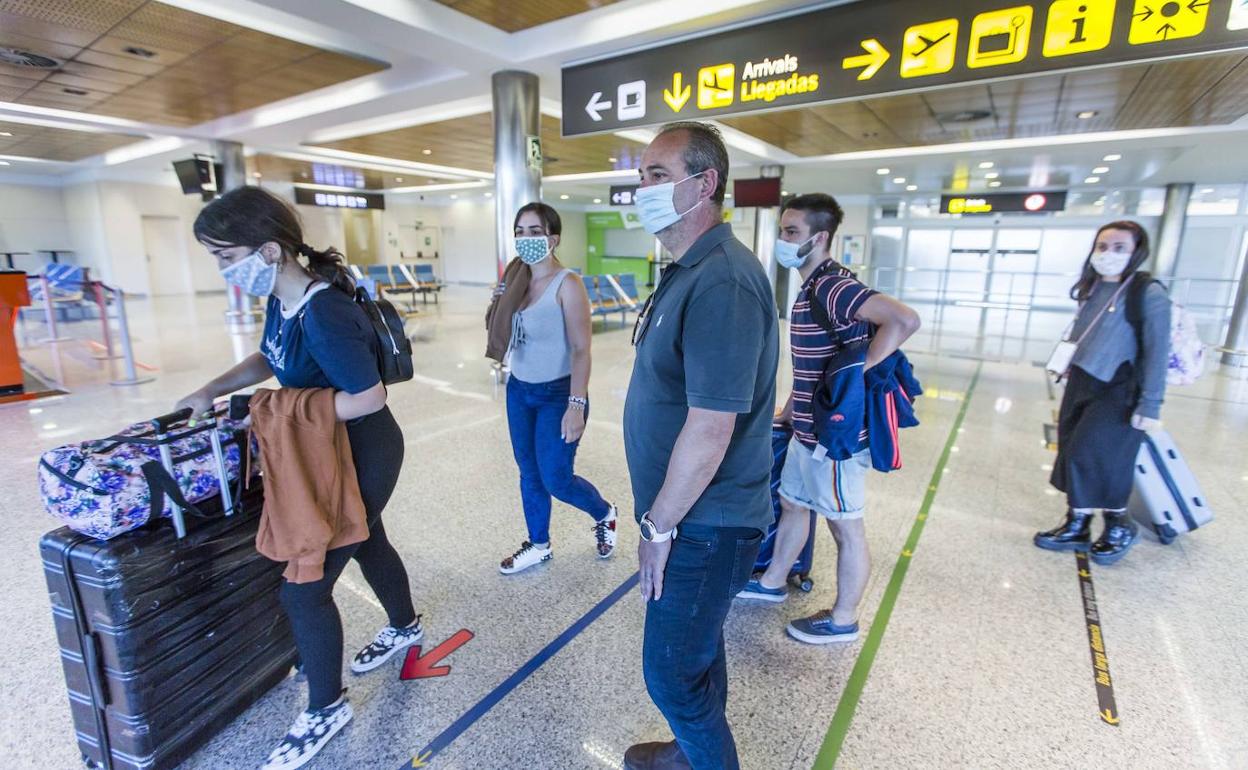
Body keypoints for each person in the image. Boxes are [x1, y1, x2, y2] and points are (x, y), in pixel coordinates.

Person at [176, 187, 422, 770]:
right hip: (327, 449)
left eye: (224, 255)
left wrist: (272, 410)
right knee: (370, 540)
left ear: (267, 251)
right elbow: (272, 356)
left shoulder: (324, 308)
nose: (222, 269)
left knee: (304, 585)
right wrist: (215, 389)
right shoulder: (284, 301)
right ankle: (405, 624)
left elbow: (368, 397)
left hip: (362, 453)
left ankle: (326, 707)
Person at [621, 121, 778, 770]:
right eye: (641, 178)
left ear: (705, 183)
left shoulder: (723, 280)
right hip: (693, 517)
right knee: (697, 648)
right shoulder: (689, 269)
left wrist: (658, 526)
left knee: (670, 675)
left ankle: (704, 754)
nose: (643, 190)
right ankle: (692, 753)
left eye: (658, 176)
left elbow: (712, 427)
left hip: (703, 523)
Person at [737, 193, 920, 646]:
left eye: (792, 233)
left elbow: (904, 319)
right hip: (806, 431)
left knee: (845, 525)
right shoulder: (811, 285)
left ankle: (843, 619)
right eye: (782, 231)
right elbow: (811, 367)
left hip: (834, 441)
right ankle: (774, 580)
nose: (783, 240)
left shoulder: (831, 286)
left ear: (819, 237)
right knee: (795, 504)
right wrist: (788, 413)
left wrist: (859, 372)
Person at [485, 202, 618, 574]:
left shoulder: (568, 284)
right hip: (520, 390)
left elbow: (581, 350)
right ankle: (538, 543)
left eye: (535, 231)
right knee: (528, 472)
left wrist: (576, 406)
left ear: (553, 238)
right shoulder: (516, 280)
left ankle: (605, 513)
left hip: (559, 395)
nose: (526, 239)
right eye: (520, 231)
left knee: (556, 478)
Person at [1036, 220, 1170, 564]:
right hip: (1083, 380)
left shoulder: (1147, 293)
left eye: (1119, 248)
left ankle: (1118, 524)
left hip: (1121, 386)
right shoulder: (1092, 288)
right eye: (1103, 246)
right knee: (1070, 448)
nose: (1108, 254)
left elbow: (1157, 352)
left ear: (1136, 252)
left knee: (1096, 454)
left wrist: (1150, 405)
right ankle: (1077, 523)